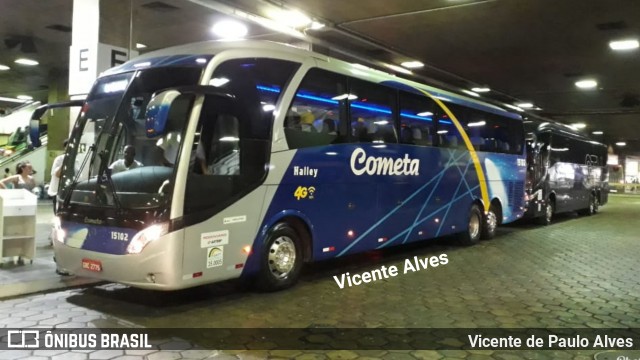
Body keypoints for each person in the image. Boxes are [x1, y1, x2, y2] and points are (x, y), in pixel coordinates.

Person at [48, 139, 68, 214]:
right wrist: (65, 162)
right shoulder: (59, 159)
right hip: (58, 191)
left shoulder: (76, 159)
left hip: (69, 191)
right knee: (58, 212)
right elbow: (57, 174)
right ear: (65, 148)